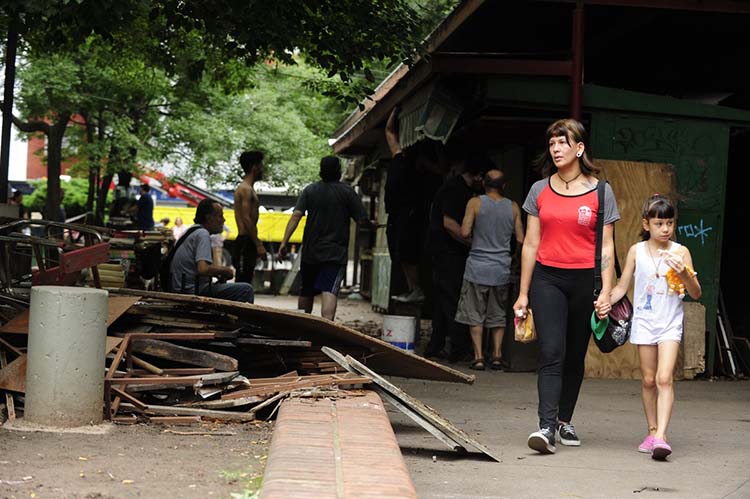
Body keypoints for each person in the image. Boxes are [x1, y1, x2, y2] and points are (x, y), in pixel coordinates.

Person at [513, 118, 619, 455]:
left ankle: (564, 419)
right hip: (547, 279)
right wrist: (523, 293)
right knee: (551, 351)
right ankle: (545, 427)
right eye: (552, 143)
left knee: (574, 354)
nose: (556, 149)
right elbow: (530, 244)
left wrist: (606, 291)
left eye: (563, 142)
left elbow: (606, 248)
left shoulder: (602, 191)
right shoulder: (538, 190)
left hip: (585, 281)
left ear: (579, 148)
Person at [609, 194, 701, 461]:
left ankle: (661, 436)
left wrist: (684, 272)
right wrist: (605, 302)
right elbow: (622, 286)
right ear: (646, 224)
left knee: (664, 378)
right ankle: (651, 431)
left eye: (670, 223)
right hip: (644, 323)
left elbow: (695, 292)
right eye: (659, 223)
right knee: (648, 380)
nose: (665, 229)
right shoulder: (637, 251)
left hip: (670, 323)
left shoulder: (681, 252)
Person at [277, 156, 368, 321]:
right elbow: (362, 221)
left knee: (306, 290)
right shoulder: (347, 192)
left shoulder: (310, 190)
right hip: (334, 253)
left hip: (311, 252)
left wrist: (284, 243)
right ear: (339, 171)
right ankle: (326, 331)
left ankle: (302, 330)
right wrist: (371, 225)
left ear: (321, 171)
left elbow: (295, 217)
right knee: (329, 290)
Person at [456, 168, 525, 370]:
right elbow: (521, 238)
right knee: (498, 314)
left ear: (483, 184)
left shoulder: (475, 203)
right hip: (501, 269)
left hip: (477, 267)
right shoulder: (512, 207)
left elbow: (465, 231)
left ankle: (478, 357)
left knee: (475, 314)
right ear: (504, 186)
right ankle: (496, 355)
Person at [424, 153, 487, 362]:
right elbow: (449, 224)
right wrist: (472, 243)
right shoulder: (456, 190)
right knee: (452, 300)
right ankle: (458, 348)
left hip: (445, 252)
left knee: (443, 301)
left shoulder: (458, 188)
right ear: (477, 176)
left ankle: (436, 346)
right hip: (448, 253)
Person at [169, 199, 254, 303]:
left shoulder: (192, 231)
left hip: (183, 287)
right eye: (220, 216)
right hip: (193, 290)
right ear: (208, 218)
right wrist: (226, 271)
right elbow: (203, 269)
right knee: (246, 289)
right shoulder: (202, 234)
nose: (223, 220)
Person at [384, 107, 425, 303]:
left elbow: (389, 132)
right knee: (400, 254)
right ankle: (411, 288)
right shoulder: (399, 159)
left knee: (407, 253)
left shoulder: (418, 167)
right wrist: (397, 108)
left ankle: (415, 288)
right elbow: (390, 132)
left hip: (408, 214)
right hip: (397, 214)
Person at [233, 150, 267, 285]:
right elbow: (246, 218)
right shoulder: (245, 189)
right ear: (254, 168)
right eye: (260, 166)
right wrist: (258, 244)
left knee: (246, 280)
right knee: (242, 282)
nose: (262, 169)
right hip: (244, 241)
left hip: (248, 242)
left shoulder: (248, 189)